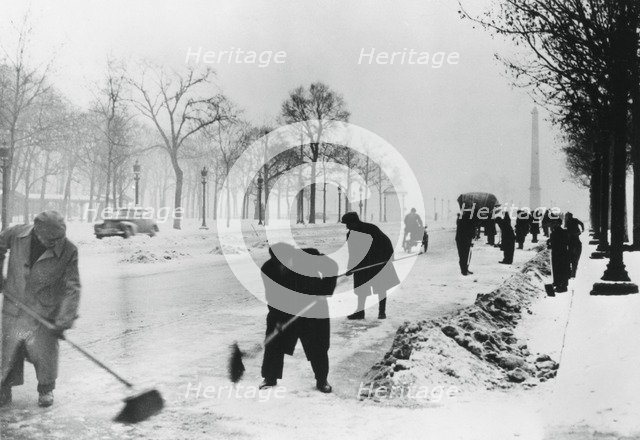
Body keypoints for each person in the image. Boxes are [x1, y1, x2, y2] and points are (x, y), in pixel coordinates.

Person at [0, 211, 81, 408]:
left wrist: (63, 320)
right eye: (50, 239)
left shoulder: (69, 250)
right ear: (37, 231)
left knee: (44, 350)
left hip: (44, 308)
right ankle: (4, 388)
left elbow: (72, 288)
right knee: (9, 348)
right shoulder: (17, 234)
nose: (55, 242)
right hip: (15, 302)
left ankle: (46, 389)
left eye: (59, 238)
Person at [259, 243, 337, 393]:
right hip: (284, 310)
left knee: (318, 347)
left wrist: (324, 290)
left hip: (313, 309)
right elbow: (272, 295)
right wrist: (278, 318)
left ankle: (322, 380)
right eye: (279, 262)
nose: (283, 265)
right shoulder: (268, 269)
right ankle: (270, 378)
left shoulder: (308, 258)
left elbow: (331, 267)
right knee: (273, 344)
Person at [342, 212, 399, 320]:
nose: (346, 226)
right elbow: (352, 253)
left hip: (378, 262)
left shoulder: (371, 229)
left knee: (381, 287)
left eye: (347, 223)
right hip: (363, 265)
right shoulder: (350, 234)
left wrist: (389, 257)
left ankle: (382, 312)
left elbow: (386, 242)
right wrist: (351, 268)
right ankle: (360, 312)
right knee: (361, 289)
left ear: (354, 222)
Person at [548, 219, 571, 292]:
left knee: (558, 269)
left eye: (553, 224)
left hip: (557, 253)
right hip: (563, 253)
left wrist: (550, 244)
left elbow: (553, 244)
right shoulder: (564, 232)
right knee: (562, 269)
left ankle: (560, 286)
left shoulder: (554, 233)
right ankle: (561, 284)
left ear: (558, 224)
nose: (552, 225)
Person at [564, 212, 585, 278]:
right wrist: (582, 229)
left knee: (571, 258)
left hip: (571, 241)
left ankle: (571, 272)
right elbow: (581, 223)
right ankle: (573, 273)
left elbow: (566, 229)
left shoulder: (567, 221)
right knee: (575, 259)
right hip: (576, 240)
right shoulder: (575, 220)